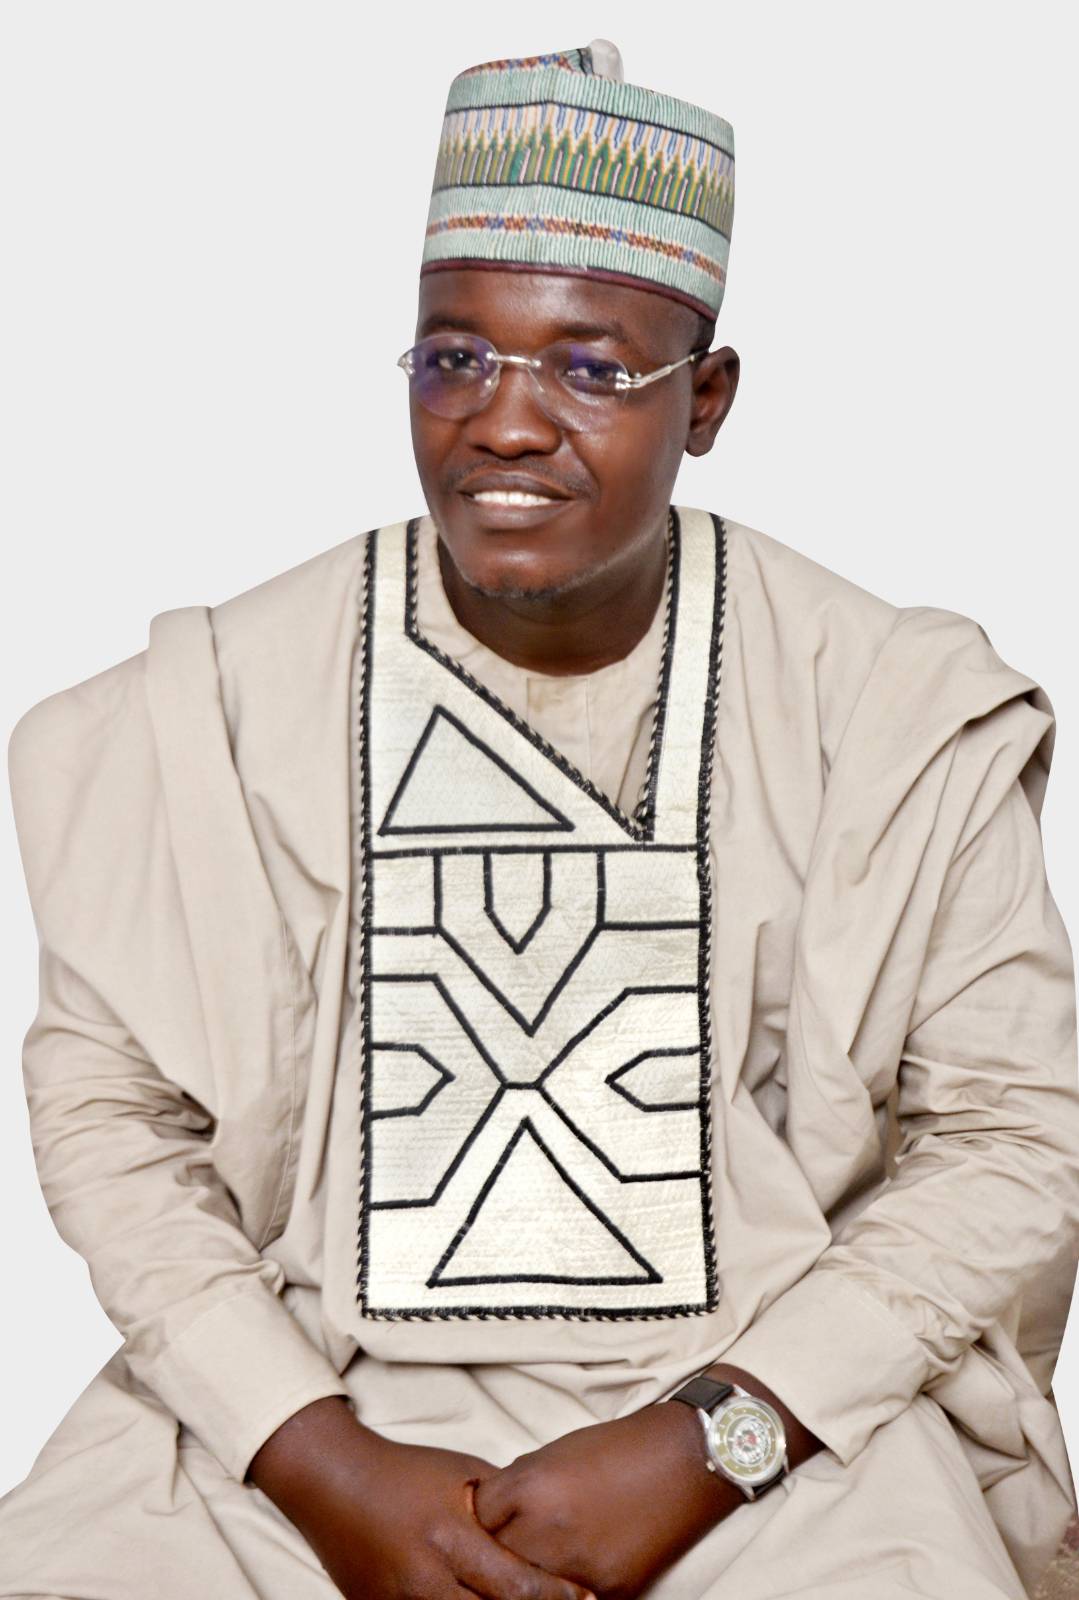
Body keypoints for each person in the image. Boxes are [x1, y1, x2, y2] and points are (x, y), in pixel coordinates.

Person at [2, 36, 1078, 1600]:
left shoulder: (891, 714)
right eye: (455, 360)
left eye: (590, 370)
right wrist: (315, 1457)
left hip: (777, 1425)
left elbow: (1013, 1136)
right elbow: (114, 1118)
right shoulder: (205, 713)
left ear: (707, 400)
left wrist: (710, 1446)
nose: (504, 423)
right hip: (296, 1409)